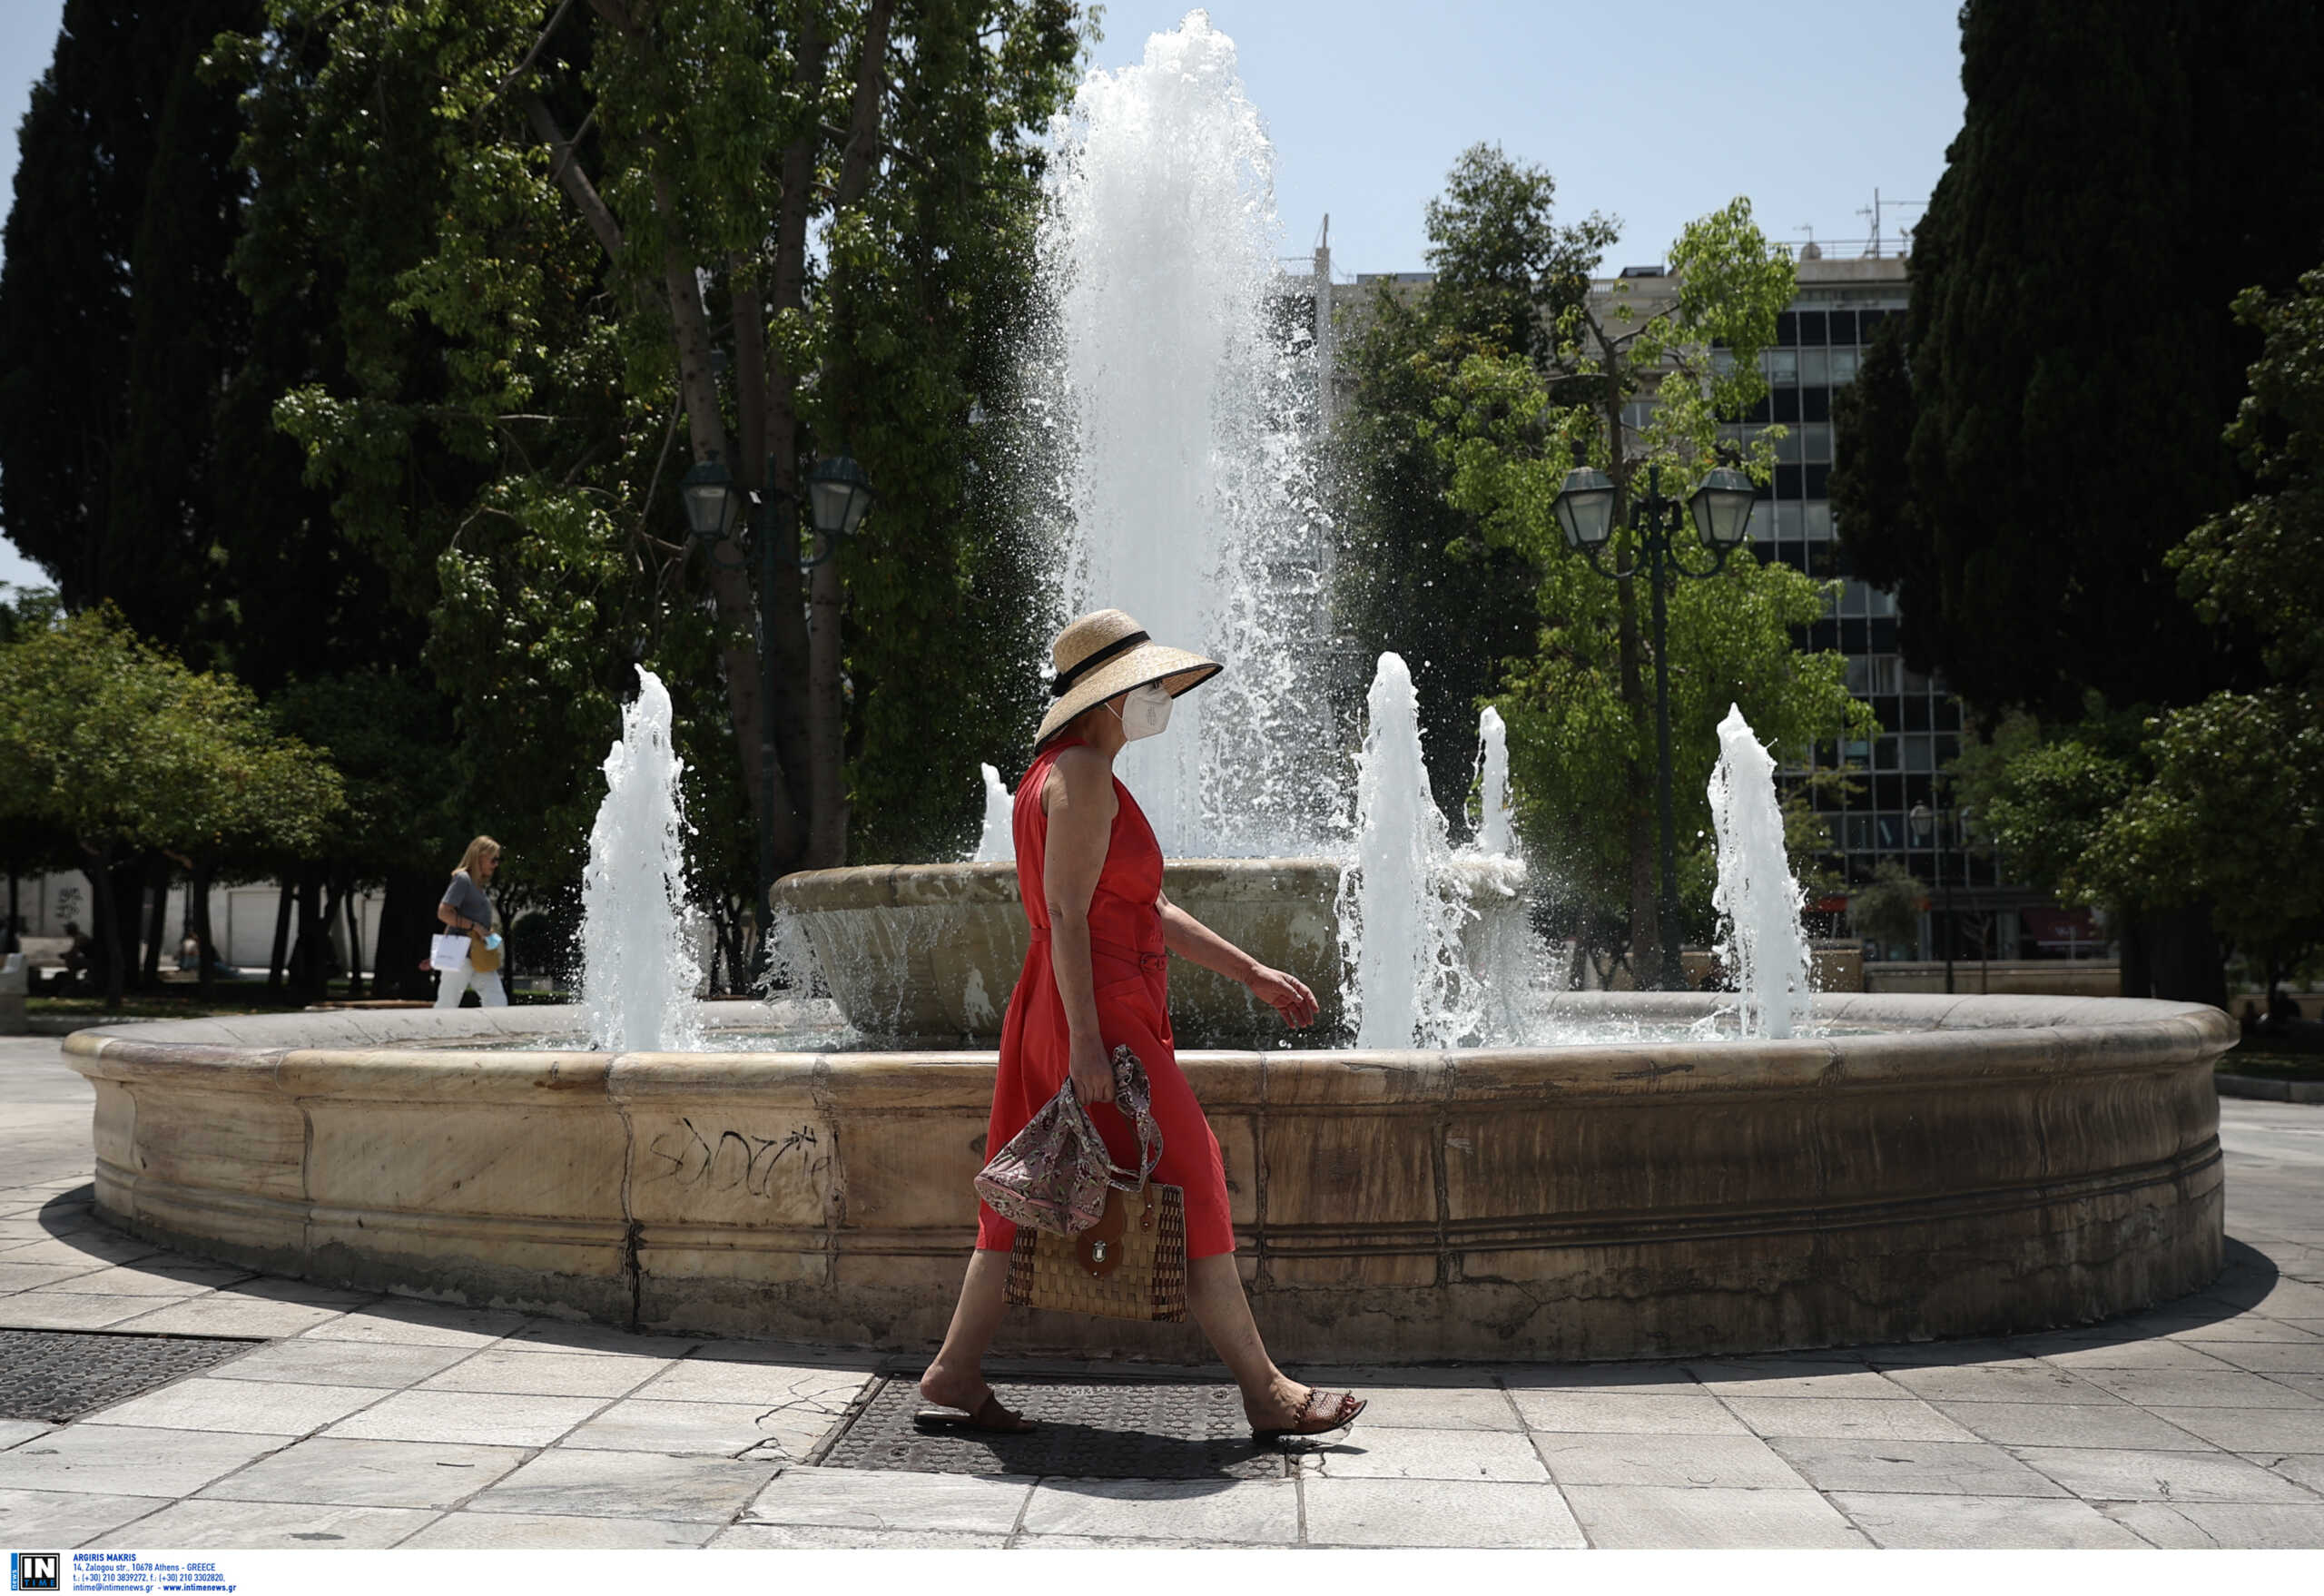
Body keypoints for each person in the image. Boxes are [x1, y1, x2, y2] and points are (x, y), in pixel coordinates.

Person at [918, 608, 1366, 1443]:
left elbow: (1145, 905)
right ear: (1107, 695)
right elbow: (1066, 911)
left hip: (1072, 1001)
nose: (1161, 696)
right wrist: (1088, 1043)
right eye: (1147, 686)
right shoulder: (1083, 772)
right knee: (1190, 1171)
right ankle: (1265, 1389)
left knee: (1030, 1181)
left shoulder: (1062, 771)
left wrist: (1253, 974)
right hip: (1097, 1009)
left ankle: (953, 1368)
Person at [435, 837, 507, 1009]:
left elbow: (454, 918)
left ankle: (497, 1036)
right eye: (493, 859)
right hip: (460, 954)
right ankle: (434, 1034)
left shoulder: (477, 885)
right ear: (480, 856)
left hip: (480, 954)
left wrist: (484, 931)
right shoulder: (462, 879)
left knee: (498, 1003)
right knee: (447, 1004)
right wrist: (476, 927)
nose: (496, 864)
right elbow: (444, 913)